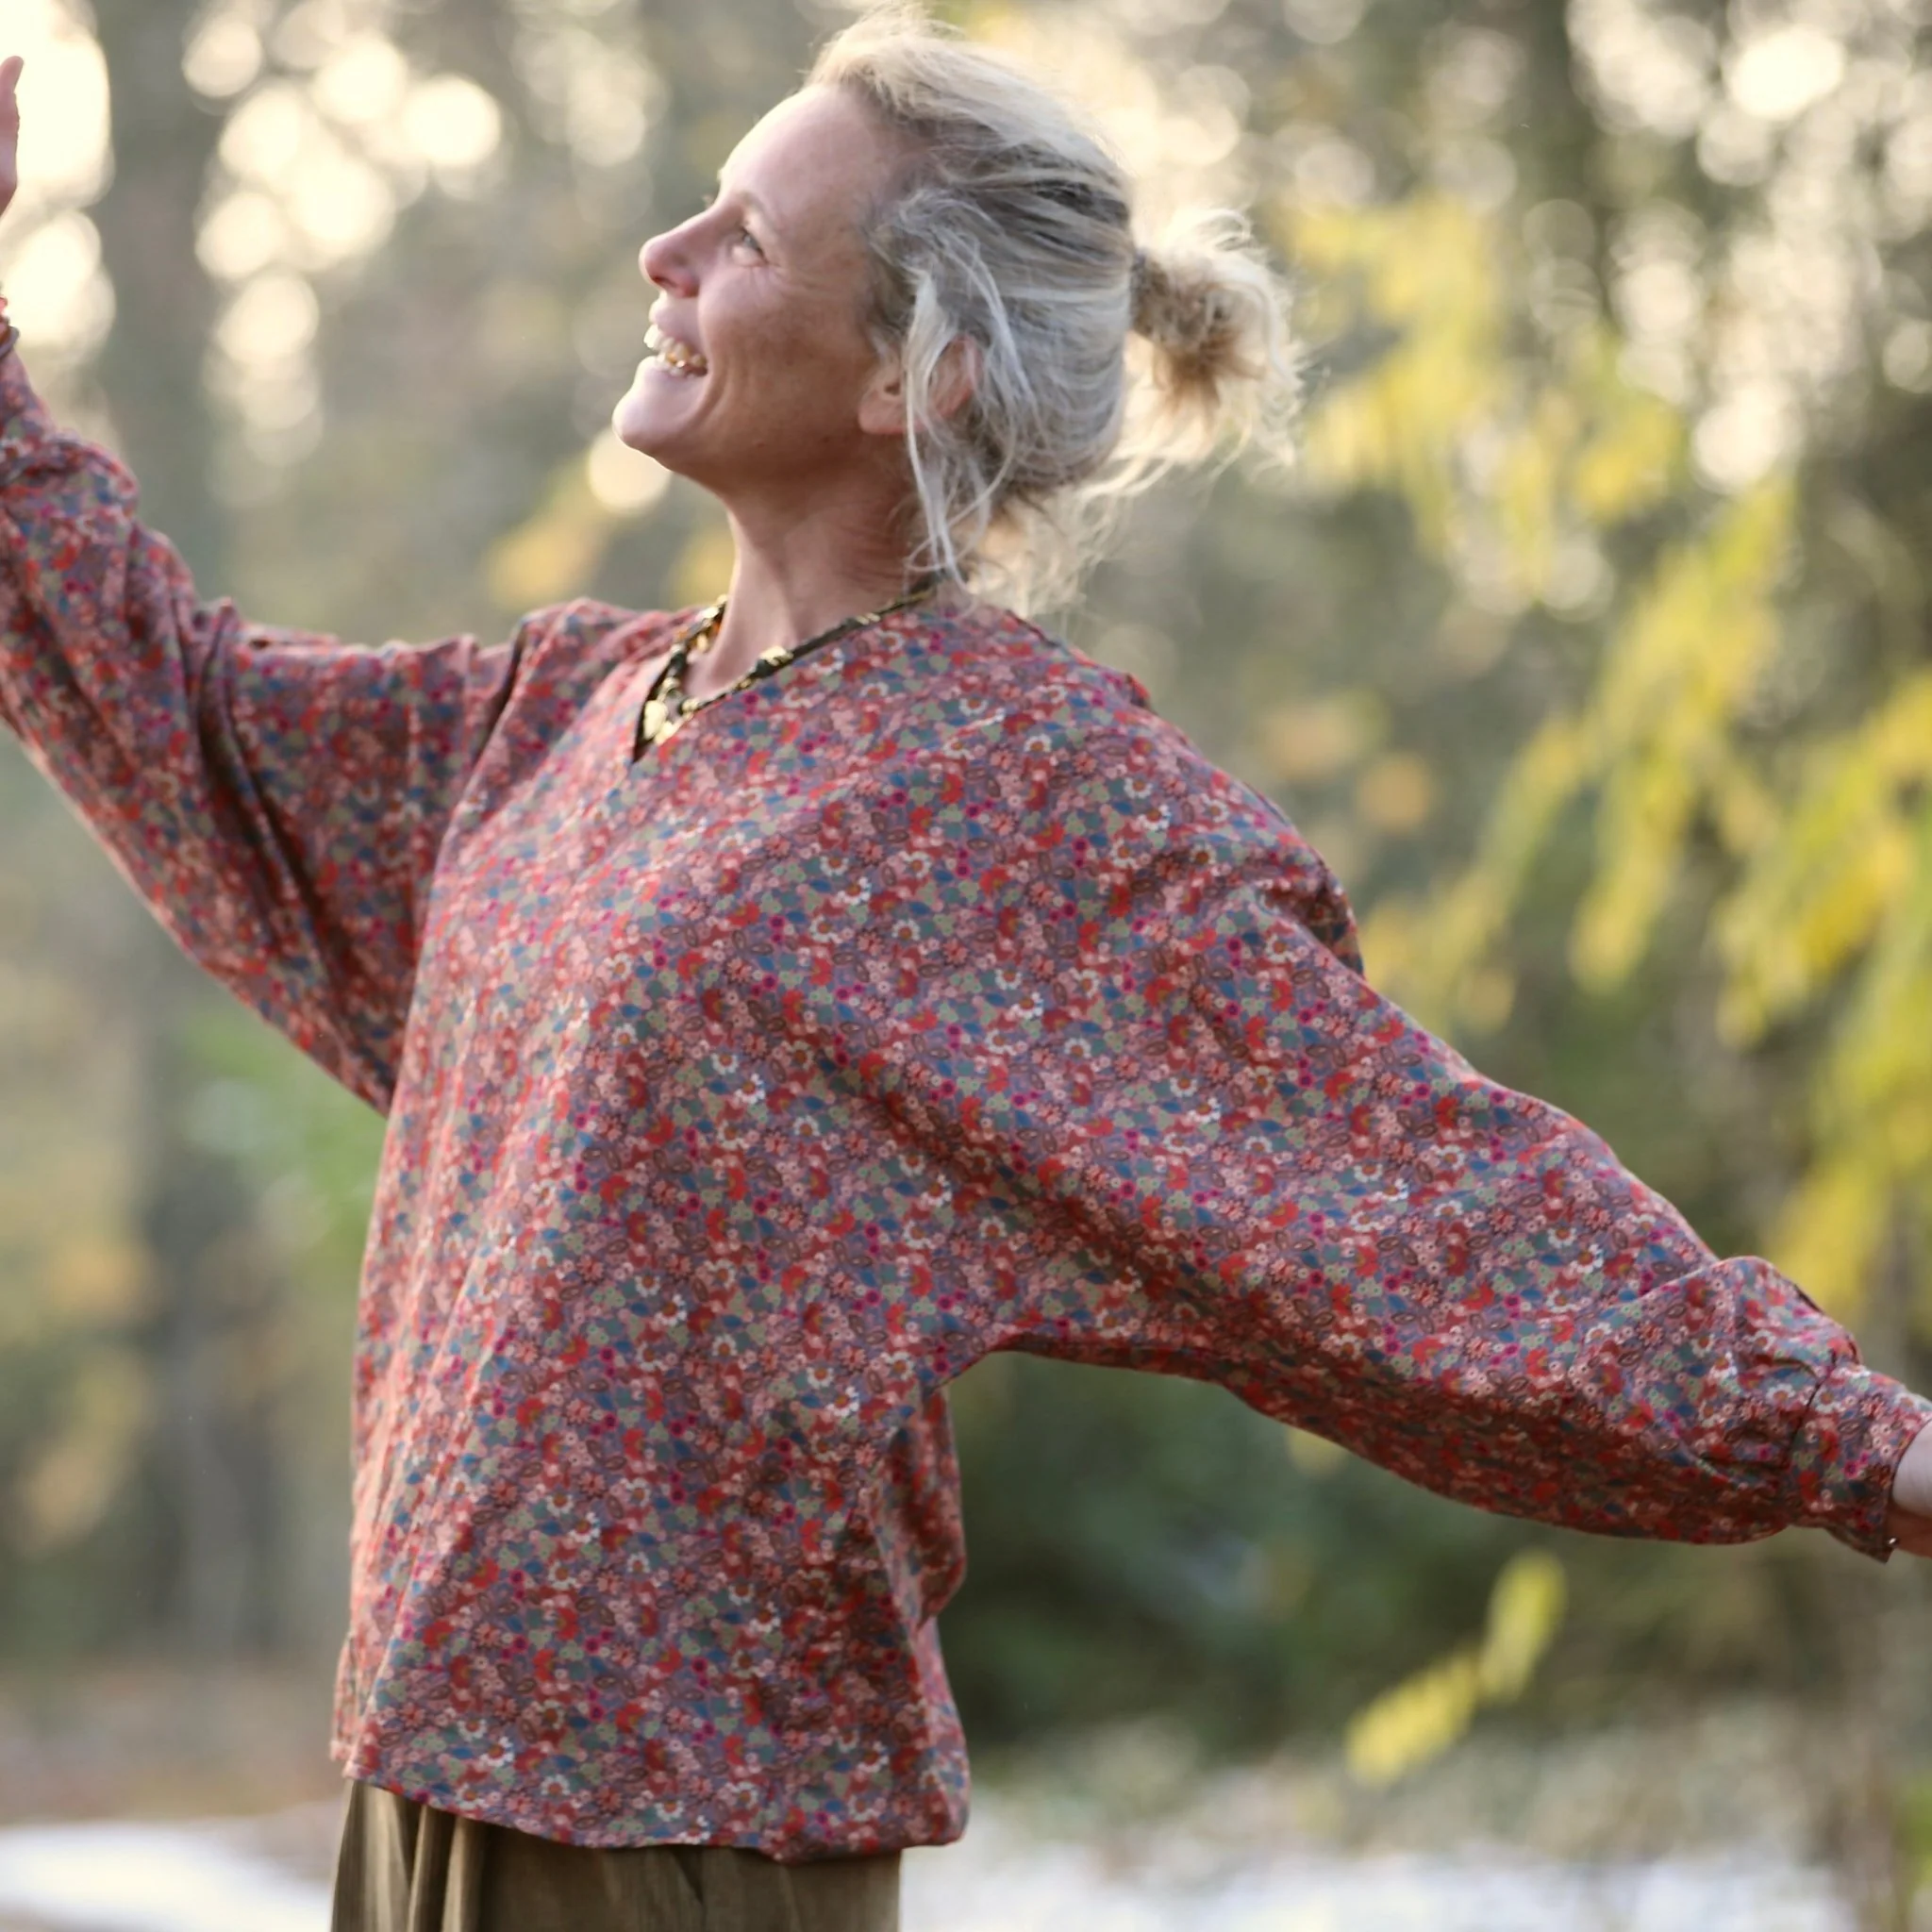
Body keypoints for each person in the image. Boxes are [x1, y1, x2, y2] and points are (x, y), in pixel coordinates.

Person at [4, 8, 1932, 1929]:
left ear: (908, 378)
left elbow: (1426, 1199)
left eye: (744, 238)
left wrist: (1858, 1442)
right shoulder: (566, 713)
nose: (664, 260)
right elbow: (180, 721)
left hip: (677, 1832)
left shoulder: (1018, 798)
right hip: (424, 1780)